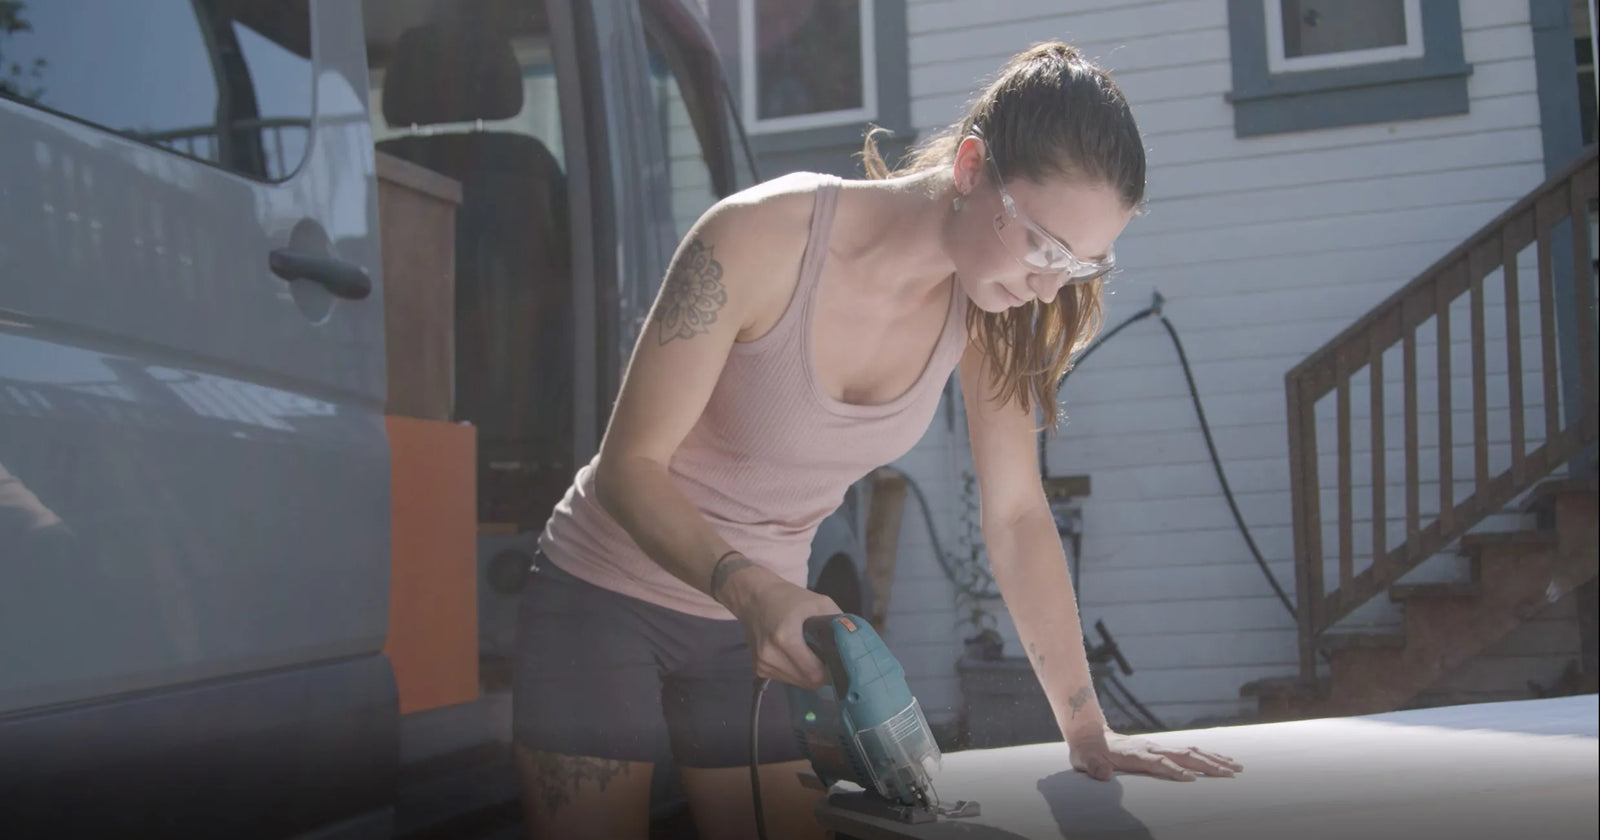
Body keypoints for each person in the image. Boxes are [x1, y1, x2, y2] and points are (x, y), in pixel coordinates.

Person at [511, 41, 1244, 840]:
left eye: (1078, 266)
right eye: (1041, 244)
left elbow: (1016, 515)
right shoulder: (759, 238)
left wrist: (1084, 726)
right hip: (605, 598)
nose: (1046, 283)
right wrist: (750, 588)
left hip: (759, 642)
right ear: (970, 168)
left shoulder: (992, 312)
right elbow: (630, 467)